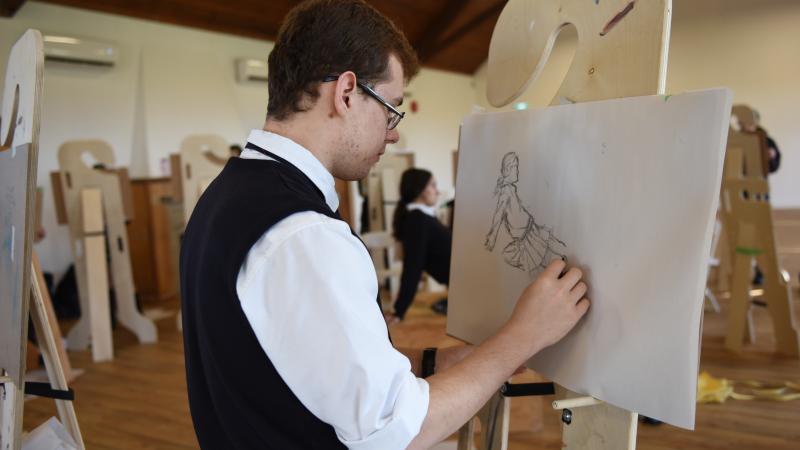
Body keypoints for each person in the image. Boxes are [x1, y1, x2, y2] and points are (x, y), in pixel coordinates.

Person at [180, 1, 590, 449]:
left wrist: (436, 361)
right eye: (391, 109)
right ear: (346, 92)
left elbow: (318, 366)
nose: (393, 132)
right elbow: (395, 432)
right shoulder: (304, 234)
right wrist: (523, 335)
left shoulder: (226, 194)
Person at [485, 151, 567, 276]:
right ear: (508, 169)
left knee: (544, 249)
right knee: (541, 253)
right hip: (524, 234)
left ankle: (564, 263)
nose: (517, 171)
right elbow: (498, 215)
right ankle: (562, 267)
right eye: (516, 168)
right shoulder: (505, 191)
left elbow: (516, 209)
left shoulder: (511, 189)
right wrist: (492, 237)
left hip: (528, 229)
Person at [387, 168, 450, 324]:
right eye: (433, 186)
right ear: (421, 190)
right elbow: (413, 266)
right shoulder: (418, 220)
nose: (437, 191)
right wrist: (399, 311)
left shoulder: (423, 216)